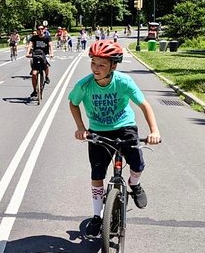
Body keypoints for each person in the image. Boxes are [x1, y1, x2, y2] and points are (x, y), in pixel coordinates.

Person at [68, 40, 161, 237]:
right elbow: (73, 103)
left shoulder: (123, 82)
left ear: (113, 65)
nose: (96, 68)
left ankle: (134, 185)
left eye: (102, 65)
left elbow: (144, 105)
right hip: (98, 130)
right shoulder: (84, 85)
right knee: (97, 174)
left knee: (137, 164)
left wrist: (154, 131)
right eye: (93, 63)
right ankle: (96, 216)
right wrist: (80, 127)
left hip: (124, 127)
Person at [26, 25, 53, 98]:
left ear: (44, 30)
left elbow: (50, 45)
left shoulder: (47, 37)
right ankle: (34, 90)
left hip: (45, 55)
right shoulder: (34, 37)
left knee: (46, 66)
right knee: (34, 74)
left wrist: (51, 53)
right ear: (37, 30)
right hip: (36, 55)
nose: (40, 30)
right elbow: (30, 44)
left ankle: (47, 77)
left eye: (42, 29)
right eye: (39, 29)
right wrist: (27, 53)